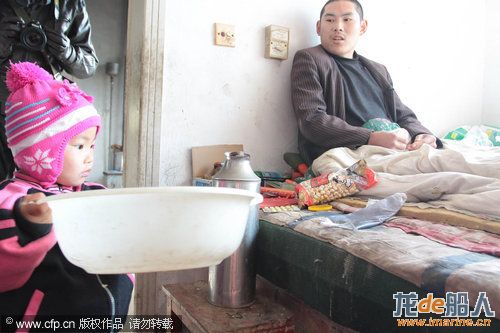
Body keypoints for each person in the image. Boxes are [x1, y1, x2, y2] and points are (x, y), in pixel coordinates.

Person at [0, 62, 132, 327]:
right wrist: (31, 224)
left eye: (92, 145)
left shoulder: (95, 194)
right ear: (41, 150)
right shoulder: (13, 201)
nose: (90, 156)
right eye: (80, 145)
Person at [291, 0, 441, 165]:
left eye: (347, 19)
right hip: (350, 155)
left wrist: (421, 135)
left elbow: (403, 115)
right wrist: (370, 137)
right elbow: (311, 120)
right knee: (454, 175)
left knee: (453, 159)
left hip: (397, 150)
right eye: (330, 20)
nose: (338, 27)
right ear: (319, 27)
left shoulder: (378, 70)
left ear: (362, 27)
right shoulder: (310, 59)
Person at [0, 0, 98, 180]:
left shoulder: (71, 5)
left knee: (50, 183)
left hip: (52, 121)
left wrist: (66, 51)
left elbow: (88, 67)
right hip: (4, 113)